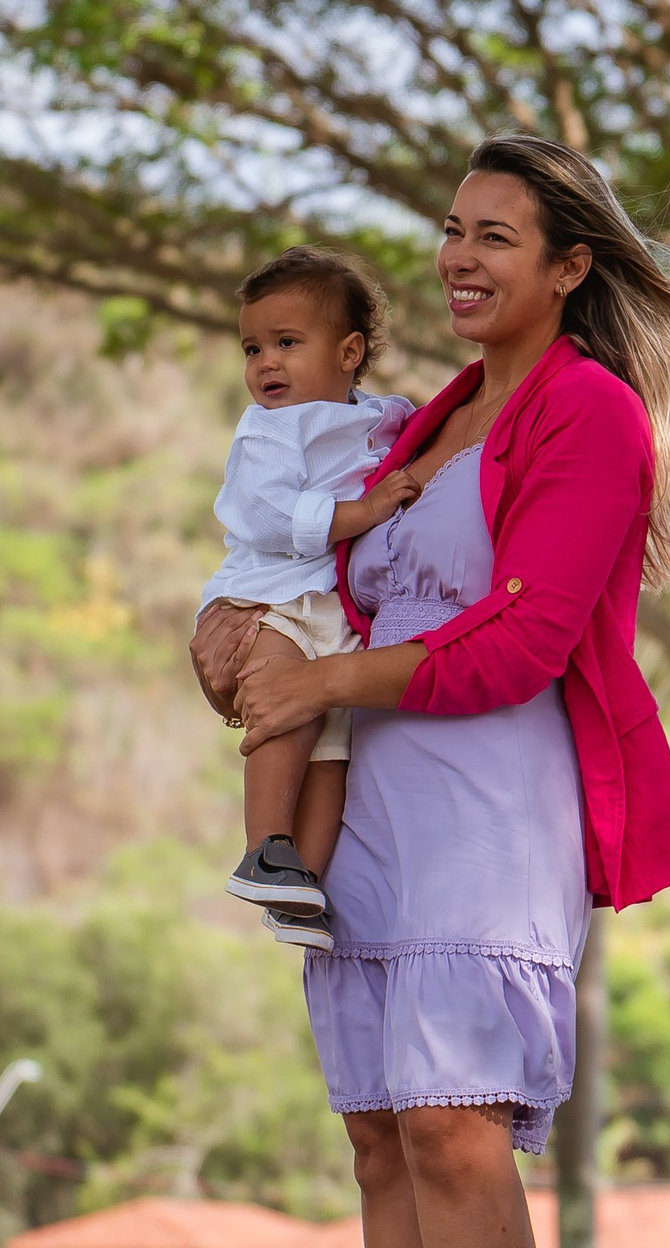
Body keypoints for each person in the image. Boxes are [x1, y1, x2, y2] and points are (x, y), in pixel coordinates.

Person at [189, 133, 670, 1248]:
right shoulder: (417, 417)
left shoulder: (593, 417)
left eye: (500, 235)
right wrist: (231, 649)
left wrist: (314, 682)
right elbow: (301, 582)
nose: (463, 256)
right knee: (380, 1141)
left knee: (456, 1130)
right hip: (372, 811)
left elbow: (526, 639)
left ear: (570, 266)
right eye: (451, 230)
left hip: (493, 800)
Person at [199, 247, 423, 950]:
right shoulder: (268, 430)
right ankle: (265, 844)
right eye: (253, 347)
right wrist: (367, 512)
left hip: (334, 616)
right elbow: (270, 517)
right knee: (283, 716)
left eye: (287, 343)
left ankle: (302, 883)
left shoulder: (383, 417)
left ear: (349, 351)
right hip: (270, 602)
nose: (266, 363)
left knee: (333, 750)